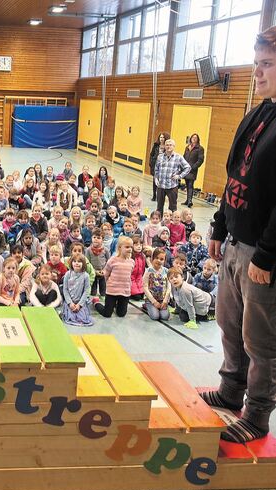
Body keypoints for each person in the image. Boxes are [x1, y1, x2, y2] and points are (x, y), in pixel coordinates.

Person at [199, 26, 276, 444]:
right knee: (229, 324)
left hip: (263, 255)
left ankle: (257, 413)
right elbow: (234, 176)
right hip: (235, 242)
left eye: (265, 64)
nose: (257, 72)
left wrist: (267, 254)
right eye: (257, 63)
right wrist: (219, 224)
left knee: (260, 341)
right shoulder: (260, 113)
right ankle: (231, 390)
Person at [94, 236, 135, 318]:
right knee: (107, 314)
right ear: (120, 248)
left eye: (131, 247)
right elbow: (106, 273)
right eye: (127, 247)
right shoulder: (113, 260)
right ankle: (96, 302)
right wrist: (109, 284)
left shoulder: (131, 262)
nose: (130, 249)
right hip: (112, 291)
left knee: (121, 314)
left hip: (125, 291)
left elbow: (129, 275)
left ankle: (116, 305)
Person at [154, 139, 191, 215]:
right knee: (159, 206)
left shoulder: (178, 157)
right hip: (161, 185)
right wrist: (156, 178)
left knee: (173, 207)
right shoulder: (160, 157)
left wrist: (180, 176)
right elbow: (156, 169)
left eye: (170, 145)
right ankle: (159, 222)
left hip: (172, 186)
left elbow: (188, 167)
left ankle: (172, 223)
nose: (168, 146)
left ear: (174, 146)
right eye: (167, 145)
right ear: (164, 146)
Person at [61, 254, 93, 326]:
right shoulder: (67, 274)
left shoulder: (86, 276)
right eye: (74, 261)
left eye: (79, 261)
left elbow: (86, 291)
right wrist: (70, 303)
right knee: (70, 317)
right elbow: (65, 290)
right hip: (70, 302)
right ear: (71, 263)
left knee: (82, 319)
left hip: (80, 302)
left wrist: (79, 304)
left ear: (83, 264)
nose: (77, 263)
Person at [143, 248, 171, 322]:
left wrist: (165, 301)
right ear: (152, 258)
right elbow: (145, 287)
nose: (159, 260)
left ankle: (158, 307)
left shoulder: (166, 271)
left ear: (164, 261)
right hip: (151, 299)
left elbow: (169, 287)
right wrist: (154, 302)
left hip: (162, 300)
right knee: (155, 316)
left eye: (161, 259)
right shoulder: (148, 271)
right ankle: (147, 305)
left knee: (165, 316)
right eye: (156, 258)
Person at [182, 133, 205, 207]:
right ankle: (187, 200)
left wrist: (194, 167)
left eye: (196, 138)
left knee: (190, 185)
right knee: (187, 184)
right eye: (193, 137)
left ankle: (190, 201)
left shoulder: (200, 148)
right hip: (186, 169)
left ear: (198, 139)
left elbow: (200, 160)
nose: (194, 139)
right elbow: (184, 156)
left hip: (192, 170)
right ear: (191, 139)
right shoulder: (187, 147)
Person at [148, 132, 170, 201]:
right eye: (160, 137)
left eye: (163, 137)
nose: (162, 139)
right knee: (155, 180)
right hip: (155, 165)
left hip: (163, 166)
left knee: (161, 182)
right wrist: (151, 162)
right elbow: (152, 154)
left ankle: (160, 196)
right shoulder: (156, 145)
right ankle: (154, 195)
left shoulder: (168, 147)